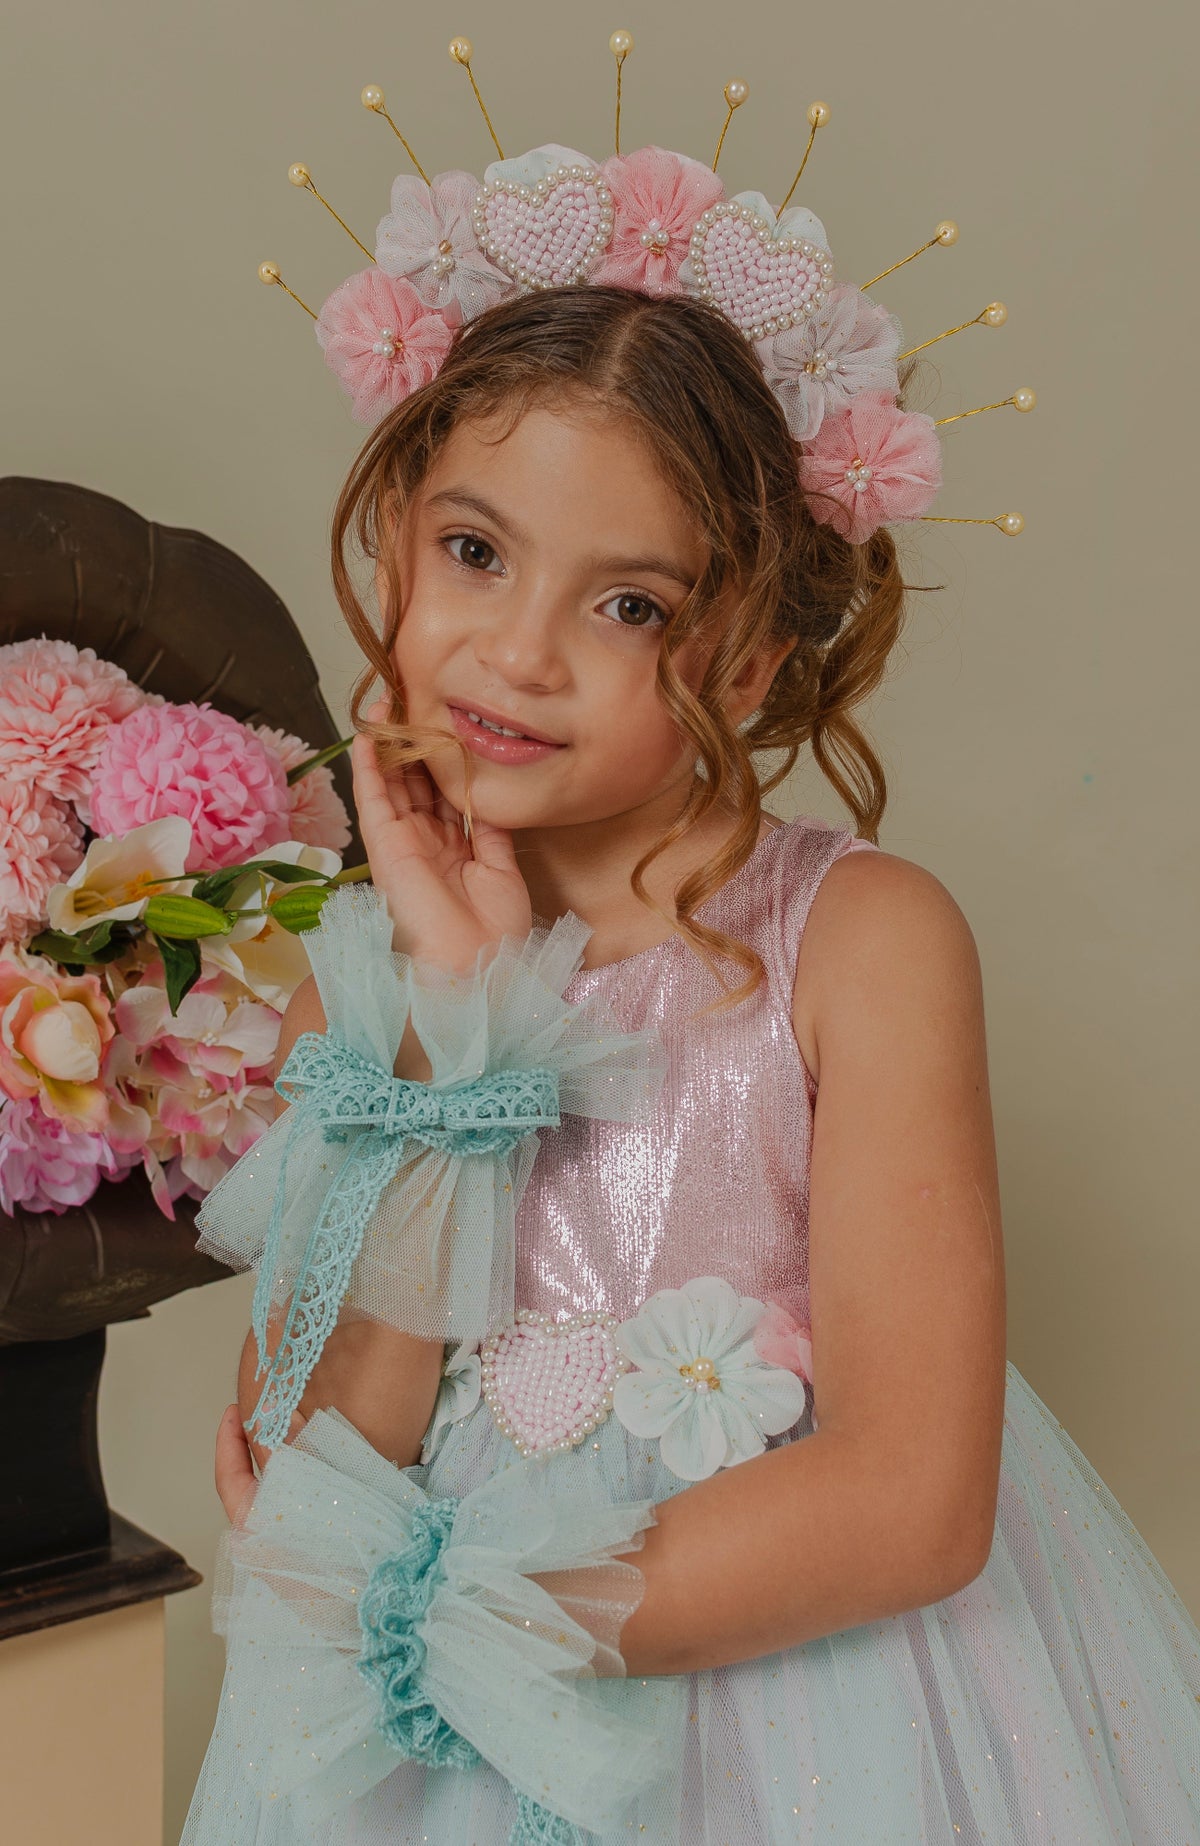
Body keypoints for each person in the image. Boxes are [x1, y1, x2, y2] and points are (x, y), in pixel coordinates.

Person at [181, 279, 1200, 1846]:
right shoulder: (367, 982)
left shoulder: (856, 943)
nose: (519, 652)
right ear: (393, 540)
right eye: (475, 552)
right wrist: (459, 1019)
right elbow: (309, 1472)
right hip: (433, 1764)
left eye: (629, 606)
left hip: (795, 1732)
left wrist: (463, 1617)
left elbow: (914, 1496)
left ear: (743, 661)